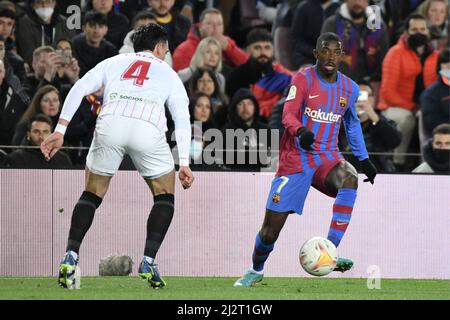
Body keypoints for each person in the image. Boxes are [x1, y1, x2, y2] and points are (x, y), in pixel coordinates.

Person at [40, 24, 194, 289]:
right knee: (164, 195)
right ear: (159, 48)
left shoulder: (112, 62)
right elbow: (182, 118)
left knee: (92, 193)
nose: (166, 54)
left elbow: (78, 88)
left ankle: (70, 257)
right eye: (166, 50)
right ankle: (148, 260)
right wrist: (184, 163)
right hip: (148, 127)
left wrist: (60, 130)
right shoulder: (168, 73)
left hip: (111, 123)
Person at [234, 32, 377, 287]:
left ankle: (330, 249)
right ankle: (256, 269)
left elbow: (352, 124)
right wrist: (301, 131)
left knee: (349, 178)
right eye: (326, 50)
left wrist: (363, 159)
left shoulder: (350, 88)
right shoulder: (302, 80)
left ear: (342, 55)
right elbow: (288, 114)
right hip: (295, 160)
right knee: (269, 231)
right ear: (316, 54)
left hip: (327, 157)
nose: (331, 56)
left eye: (336, 51)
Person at [378, 13, 439, 171]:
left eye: (422, 29)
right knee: (407, 119)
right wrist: (413, 107)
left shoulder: (436, 55)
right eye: (414, 29)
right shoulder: (395, 53)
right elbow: (387, 93)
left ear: (428, 31)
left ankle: (434, 164)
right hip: (397, 107)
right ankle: (398, 163)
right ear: (406, 32)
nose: (419, 33)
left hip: (425, 107)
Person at [226, 28, 292, 120]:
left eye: (267, 48)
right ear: (248, 50)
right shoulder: (235, 77)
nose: (263, 52)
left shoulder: (285, 76)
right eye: (257, 48)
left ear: (273, 50)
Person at [339, 81, 402, 173]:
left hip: (379, 172)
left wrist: (375, 119)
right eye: (356, 95)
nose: (360, 100)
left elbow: (395, 141)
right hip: (345, 173)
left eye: (365, 95)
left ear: (373, 99)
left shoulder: (383, 121)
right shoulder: (338, 121)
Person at [321, 0, 390, 83]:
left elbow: (384, 58)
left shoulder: (378, 25)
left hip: (373, 83)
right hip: (339, 84)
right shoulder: (332, 24)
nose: (358, 3)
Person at [172, 8, 248, 72]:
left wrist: (229, 49)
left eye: (219, 24)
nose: (215, 28)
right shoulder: (184, 50)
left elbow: (247, 65)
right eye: (210, 24)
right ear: (200, 26)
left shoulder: (226, 42)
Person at [15, 0, 76, 66]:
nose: (44, 5)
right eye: (39, 2)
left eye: (48, 2)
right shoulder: (24, 23)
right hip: (37, 70)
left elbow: (70, 52)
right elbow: (28, 54)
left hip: (62, 70)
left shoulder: (66, 24)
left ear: (54, 3)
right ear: (32, 5)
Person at [6, 113, 72, 168]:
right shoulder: (16, 157)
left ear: (51, 134)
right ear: (28, 135)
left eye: (45, 132)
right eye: (36, 131)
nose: (41, 136)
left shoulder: (63, 158)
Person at [72, 10, 118, 77]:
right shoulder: (74, 45)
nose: (96, 30)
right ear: (84, 28)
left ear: (106, 30)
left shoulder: (112, 51)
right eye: (92, 26)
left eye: (100, 26)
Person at [420, 49, 450, 139]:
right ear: (439, 67)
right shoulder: (431, 93)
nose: (449, 66)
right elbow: (431, 122)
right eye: (445, 63)